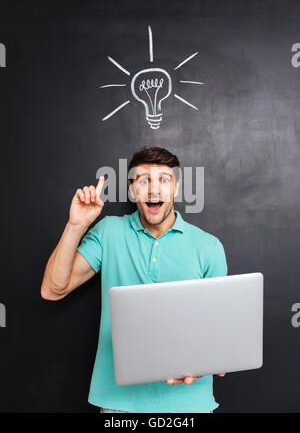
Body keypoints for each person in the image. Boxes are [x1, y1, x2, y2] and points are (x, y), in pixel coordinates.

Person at [41, 146, 227, 413]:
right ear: (132, 189)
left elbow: (218, 332)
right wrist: (76, 225)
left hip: (189, 404)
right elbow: (52, 290)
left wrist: (207, 362)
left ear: (176, 187)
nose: (154, 189)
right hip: (119, 404)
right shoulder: (109, 232)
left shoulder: (208, 247)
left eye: (164, 180)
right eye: (144, 180)